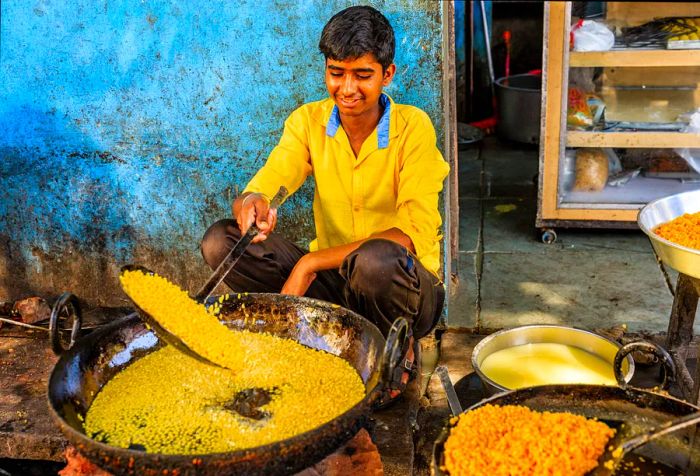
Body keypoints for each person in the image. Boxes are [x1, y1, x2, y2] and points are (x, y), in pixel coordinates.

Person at [201, 5, 450, 404]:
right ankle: (322, 331)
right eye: (337, 73)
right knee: (221, 241)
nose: (347, 88)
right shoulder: (307, 122)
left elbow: (410, 235)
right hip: (339, 283)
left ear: (388, 75)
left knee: (376, 260)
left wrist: (308, 264)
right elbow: (274, 176)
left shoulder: (413, 128)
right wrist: (254, 201)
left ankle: (396, 346)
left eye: (363, 75)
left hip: (405, 286)